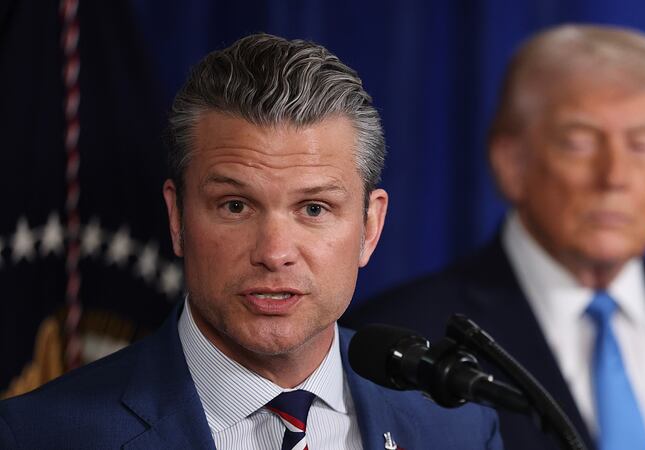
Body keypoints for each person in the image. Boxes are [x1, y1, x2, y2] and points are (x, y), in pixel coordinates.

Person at [0, 34, 502, 450]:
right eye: (235, 206)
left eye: (314, 209)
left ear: (370, 227)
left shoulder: (458, 428)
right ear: (177, 218)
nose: (274, 253)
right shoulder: (39, 435)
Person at [344, 24, 645, 450]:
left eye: (643, 145)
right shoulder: (401, 342)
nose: (615, 176)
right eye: (580, 143)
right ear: (511, 162)